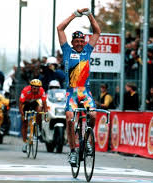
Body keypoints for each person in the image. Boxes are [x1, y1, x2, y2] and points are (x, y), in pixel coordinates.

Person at [57, 8, 101, 166]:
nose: (81, 43)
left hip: (85, 92)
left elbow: (97, 31)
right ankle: (73, 151)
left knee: (94, 116)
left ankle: (88, 140)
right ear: (73, 42)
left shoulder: (88, 50)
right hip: (72, 93)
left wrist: (89, 14)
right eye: (77, 41)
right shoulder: (67, 50)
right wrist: (75, 15)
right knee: (69, 118)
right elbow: (60, 28)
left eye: (82, 41)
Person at [19, 79, 47, 153]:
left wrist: (46, 113)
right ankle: (25, 143)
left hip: (35, 103)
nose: (36, 90)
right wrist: (22, 115)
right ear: (31, 87)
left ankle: (38, 127)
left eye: (37, 88)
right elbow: (21, 104)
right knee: (24, 123)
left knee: (39, 110)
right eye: (34, 88)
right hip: (26, 104)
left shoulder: (42, 91)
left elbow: (44, 103)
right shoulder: (25, 90)